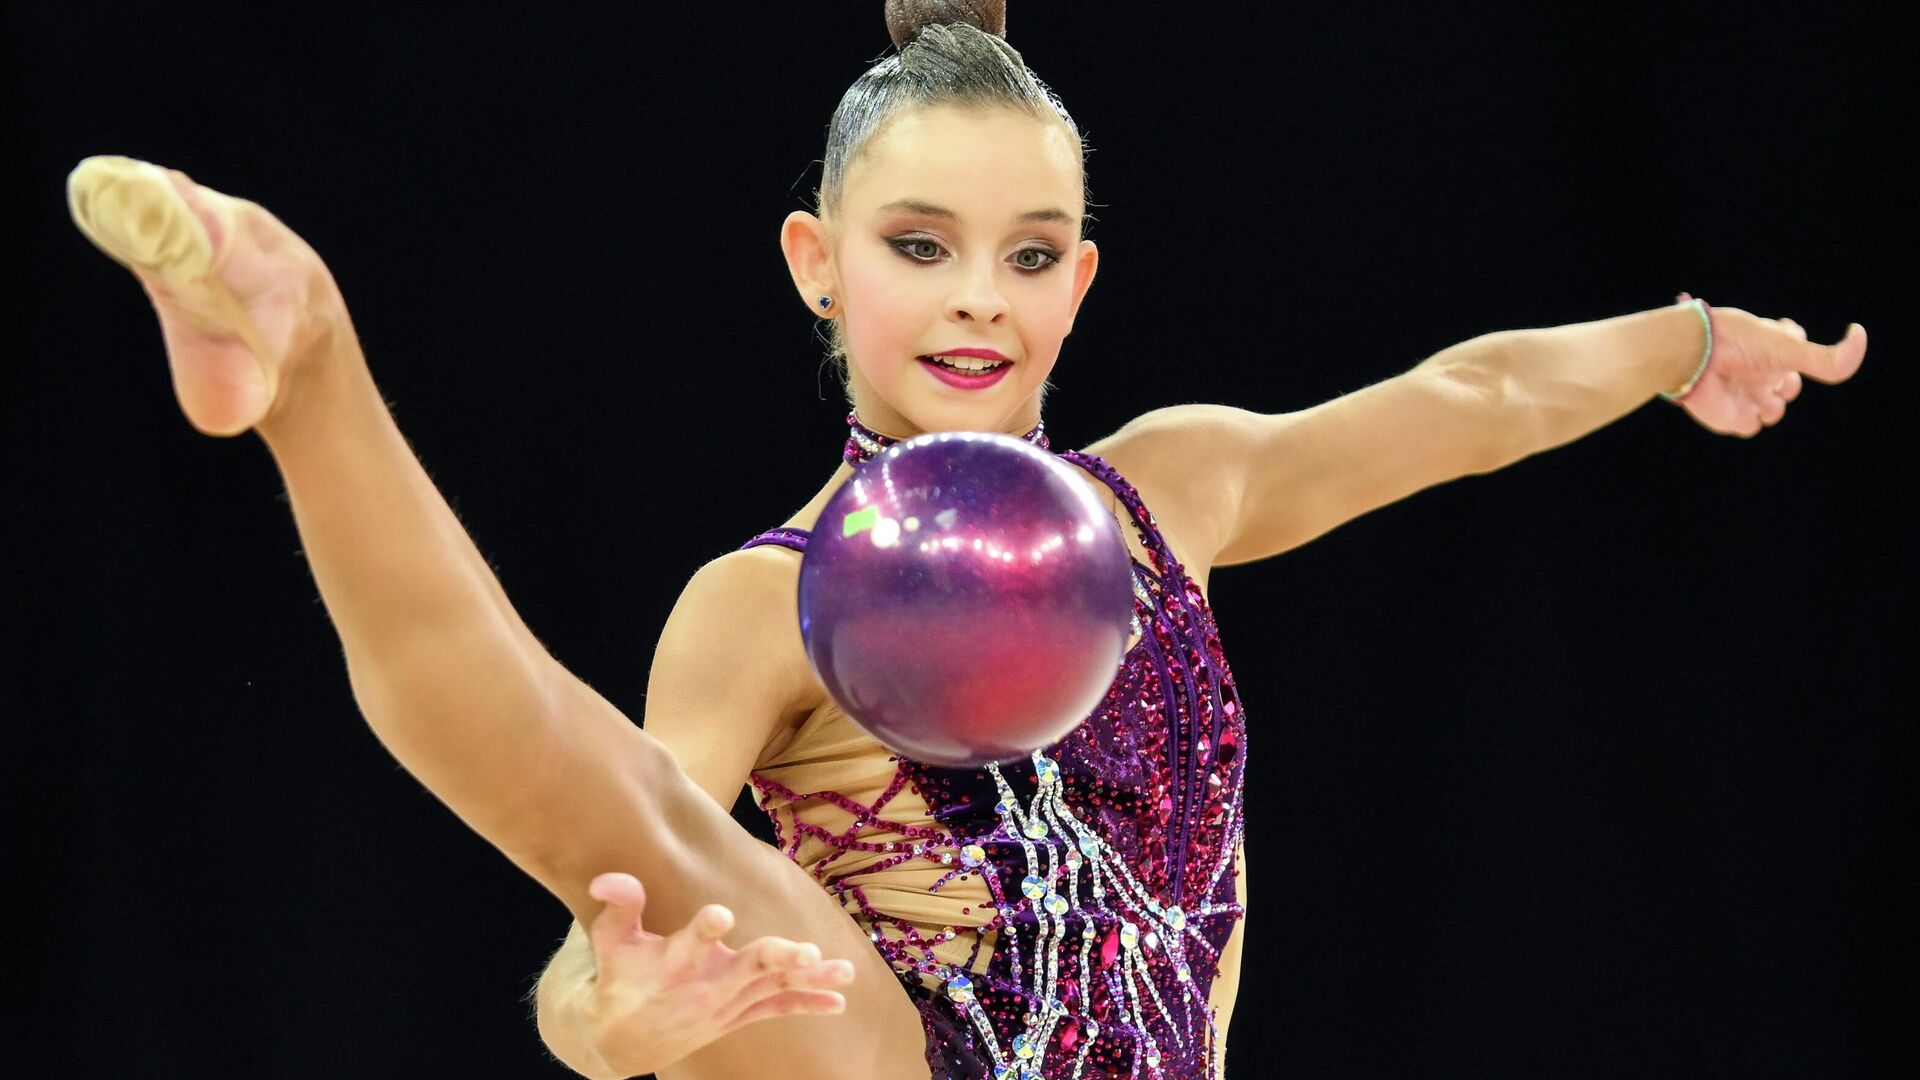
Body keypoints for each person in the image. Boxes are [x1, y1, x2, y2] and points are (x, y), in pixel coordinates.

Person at [63, 1, 1865, 1077]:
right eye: (918, 246)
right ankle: (305, 353)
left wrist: (1688, 339)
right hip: (865, 1053)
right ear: (818, 264)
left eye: (1028, 253)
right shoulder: (763, 601)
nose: (977, 298)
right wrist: (618, 1023)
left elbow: (1473, 396)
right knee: (655, 842)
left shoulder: (1173, 492)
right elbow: (601, 904)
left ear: (1081, 280)